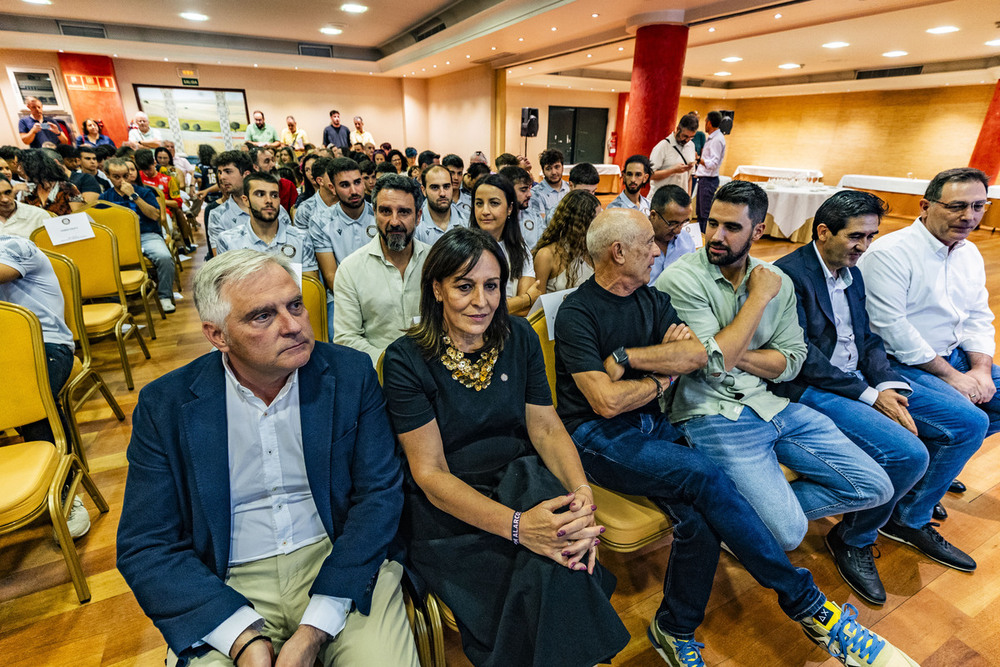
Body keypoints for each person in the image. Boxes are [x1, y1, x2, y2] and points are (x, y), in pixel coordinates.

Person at [554, 206, 919, 667]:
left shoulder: (651, 299)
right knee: (705, 475)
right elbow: (604, 403)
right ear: (618, 251)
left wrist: (632, 359)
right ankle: (810, 607)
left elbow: (695, 356)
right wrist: (662, 374)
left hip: (650, 421)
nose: (658, 248)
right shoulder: (577, 312)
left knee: (703, 518)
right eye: (649, 242)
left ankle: (673, 628)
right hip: (594, 436)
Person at [116, 249, 419, 667]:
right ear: (217, 335)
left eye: (295, 305)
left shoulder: (350, 373)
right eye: (263, 316)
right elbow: (146, 544)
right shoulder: (164, 405)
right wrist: (241, 639)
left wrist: (315, 629)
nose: (294, 325)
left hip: (338, 555)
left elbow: (380, 496)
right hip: (225, 578)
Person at [382, 227, 629, 667]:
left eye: (492, 285)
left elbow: (547, 427)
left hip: (523, 478)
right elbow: (431, 473)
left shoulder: (518, 336)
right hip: (451, 507)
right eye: (464, 285)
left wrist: (581, 494)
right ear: (436, 288)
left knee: (560, 550)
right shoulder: (405, 359)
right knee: (552, 567)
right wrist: (518, 527)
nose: (482, 301)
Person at [655, 180, 892, 552]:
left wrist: (727, 350)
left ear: (759, 230)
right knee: (787, 535)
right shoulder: (682, 279)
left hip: (772, 404)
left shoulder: (774, 277)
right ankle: (753, 522)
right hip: (711, 412)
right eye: (712, 223)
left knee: (876, 487)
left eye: (732, 227)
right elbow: (712, 369)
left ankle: (736, 521)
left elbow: (793, 360)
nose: (716, 235)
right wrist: (759, 300)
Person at [772, 190, 972, 603]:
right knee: (909, 454)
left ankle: (905, 515)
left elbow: (867, 338)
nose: (865, 247)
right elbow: (803, 358)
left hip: (860, 377)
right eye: (856, 237)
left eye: (871, 236)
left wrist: (888, 385)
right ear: (823, 231)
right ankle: (853, 536)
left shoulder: (852, 271)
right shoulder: (789, 274)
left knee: (970, 422)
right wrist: (869, 394)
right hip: (814, 388)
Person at [858, 167, 996, 561]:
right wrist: (955, 377)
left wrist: (981, 370)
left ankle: (931, 475)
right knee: (970, 422)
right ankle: (907, 518)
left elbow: (977, 316)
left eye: (977, 206)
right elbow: (893, 331)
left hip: (947, 355)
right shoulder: (891, 253)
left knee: (995, 399)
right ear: (925, 206)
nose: (968, 217)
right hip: (895, 364)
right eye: (956, 206)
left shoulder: (967, 251)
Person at [333, 174, 429, 365]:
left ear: (418, 217)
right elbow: (346, 338)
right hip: (379, 373)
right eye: (385, 211)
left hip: (433, 370)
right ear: (374, 212)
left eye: (403, 212)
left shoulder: (435, 262)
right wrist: (392, 362)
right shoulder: (351, 269)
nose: (394, 221)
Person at [99, 157, 176, 313]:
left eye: (125, 176)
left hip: (147, 235)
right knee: (102, 263)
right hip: (119, 240)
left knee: (165, 258)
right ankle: (115, 303)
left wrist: (134, 196)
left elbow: (155, 216)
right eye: (116, 176)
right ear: (107, 175)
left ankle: (164, 296)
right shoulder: (104, 198)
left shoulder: (144, 192)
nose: (122, 180)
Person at [214, 172, 319, 282]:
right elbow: (227, 289)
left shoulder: (301, 238)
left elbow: (309, 287)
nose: (269, 200)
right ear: (246, 200)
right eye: (260, 194)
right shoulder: (228, 241)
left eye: (274, 195)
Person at [469, 174, 540, 317]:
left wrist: (525, 302)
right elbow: (474, 308)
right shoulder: (463, 248)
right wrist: (526, 298)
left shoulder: (519, 249)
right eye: (479, 203)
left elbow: (525, 310)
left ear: (509, 208)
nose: (485, 211)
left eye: (494, 203)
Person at [207, 150, 292, 256]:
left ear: (246, 174)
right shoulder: (217, 215)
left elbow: (290, 247)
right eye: (220, 172)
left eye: (228, 171)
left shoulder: (275, 209)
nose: (222, 177)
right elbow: (221, 259)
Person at [532, 189, 599, 294]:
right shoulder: (546, 255)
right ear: (579, 223)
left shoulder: (596, 250)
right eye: (595, 219)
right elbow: (538, 302)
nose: (600, 224)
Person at [647, 184, 696, 285]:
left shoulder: (686, 240)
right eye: (672, 223)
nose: (678, 231)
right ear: (653, 216)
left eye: (683, 222)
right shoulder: (634, 243)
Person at [19, 149, 85, 216]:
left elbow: (79, 216)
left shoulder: (67, 188)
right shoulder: (28, 191)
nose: (19, 170)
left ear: (35, 169)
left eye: (23, 167)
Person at [649, 114, 698, 197]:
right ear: (678, 129)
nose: (687, 140)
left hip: (680, 200)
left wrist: (688, 197)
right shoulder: (662, 146)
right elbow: (650, 175)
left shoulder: (691, 145)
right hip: (661, 199)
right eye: (685, 136)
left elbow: (689, 177)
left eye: (691, 137)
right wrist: (673, 171)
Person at [693, 111, 726, 232]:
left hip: (708, 180)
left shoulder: (717, 139)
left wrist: (698, 159)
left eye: (705, 122)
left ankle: (704, 241)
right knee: (700, 213)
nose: (705, 125)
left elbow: (713, 163)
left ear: (709, 123)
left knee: (705, 214)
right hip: (704, 179)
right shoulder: (713, 137)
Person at [414, 165, 465, 245]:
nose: (442, 193)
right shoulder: (415, 228)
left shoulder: (466, 222)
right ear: (424, 191)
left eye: (446, 187)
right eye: (435, 187)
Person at [498, 165, 545, 250]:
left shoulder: (535, 217)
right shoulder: (495, 220)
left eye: (529, 189)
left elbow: (542, 248)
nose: (529, 194)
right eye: (523, 190)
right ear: (507, 190)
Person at [531, 148, 570, 221]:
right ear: (543, 171)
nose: (554, 172)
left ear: (562, 167)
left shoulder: (570, 188)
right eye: (548, 168)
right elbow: (541, 224)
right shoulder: (536, 193)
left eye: (557, 167)